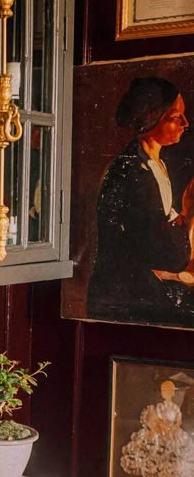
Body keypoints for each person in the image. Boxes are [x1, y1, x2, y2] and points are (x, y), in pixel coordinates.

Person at [87, 76, 194, 324]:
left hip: (144, 283)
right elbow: (166, 252)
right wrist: (188, 213)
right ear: (151, 119)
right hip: (125, 294)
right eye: (176, 117)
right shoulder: (133, 171)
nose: (186, 123)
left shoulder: (156, 164)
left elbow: (161, 222)